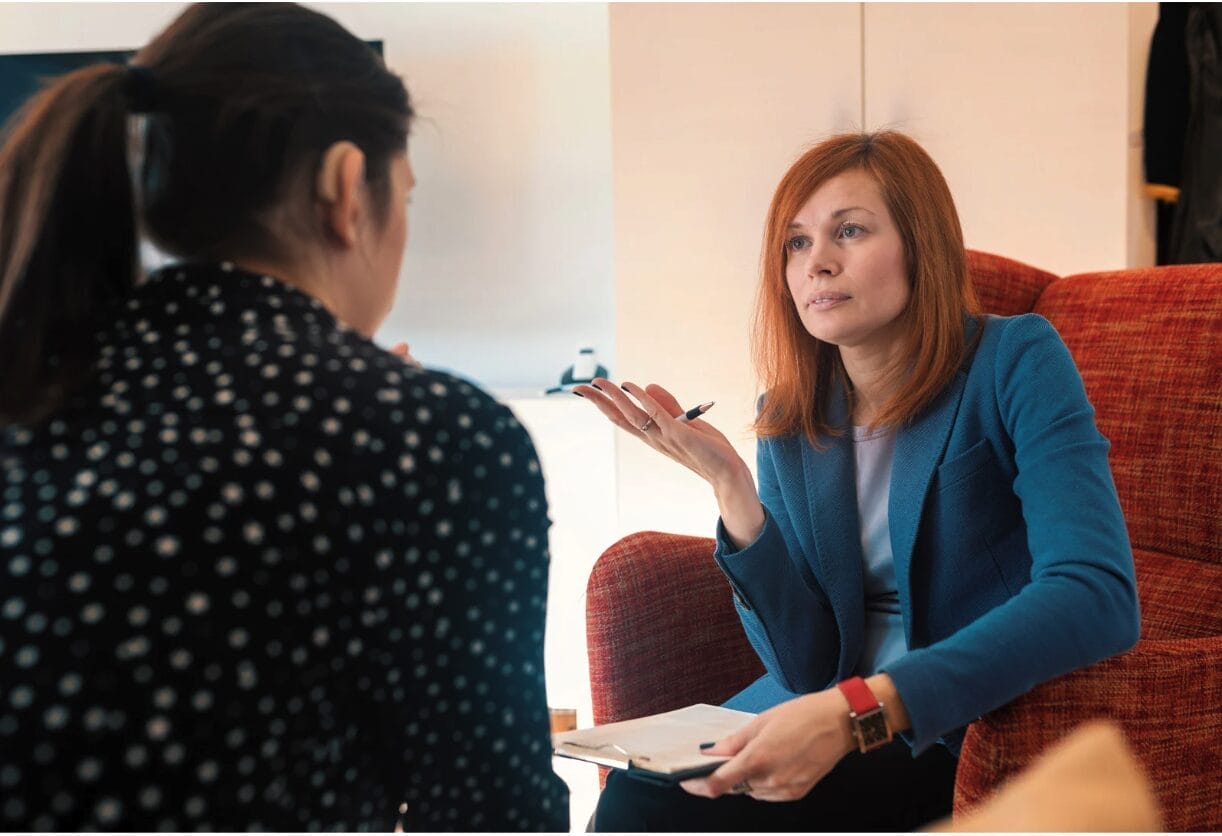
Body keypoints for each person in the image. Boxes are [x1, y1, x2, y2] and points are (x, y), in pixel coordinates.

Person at [0, 4, 567, 831]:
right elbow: (491, 813)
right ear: (346, 188)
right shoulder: (426, 438)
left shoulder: (28, 395)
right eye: (403, 195)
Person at [576, 130, 1139, 831]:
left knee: (653, 811)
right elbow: (806, 663)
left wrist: (862, 709)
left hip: (952, 725)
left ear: (920, 245)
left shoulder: (1016, 361)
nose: (819, 263)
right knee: (641, 793)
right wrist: (733, 493)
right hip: (816, 711)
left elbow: (1098, 593)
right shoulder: (788, 415)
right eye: (796, 242)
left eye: (849, 230)